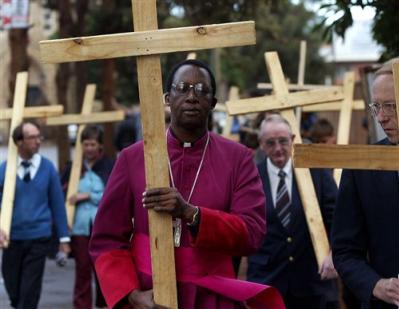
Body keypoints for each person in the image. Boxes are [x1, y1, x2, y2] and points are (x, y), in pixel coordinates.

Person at [89, 59, 284, 309]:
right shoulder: (132, 157)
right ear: (168, 98)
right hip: (149, 296)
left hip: (212, 296)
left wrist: (192, 214)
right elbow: (106, 239)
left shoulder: (238, 158)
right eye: (183, 88)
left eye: (202, 90)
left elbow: (252, 233)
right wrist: (132, 294)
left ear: (213, 103)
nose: (192, 96)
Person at [331, 56, 399, 309]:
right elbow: (344, 252)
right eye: (376, 107)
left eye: (391, 106)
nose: (381, 118)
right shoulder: (361, 166)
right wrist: (376, 285)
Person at [247, 114, 339, 309]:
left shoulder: (316, 172)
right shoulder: (251, 178)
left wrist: (334, 252)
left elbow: (338, 218)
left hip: (312, 283)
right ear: (261, 145)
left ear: (293, 139)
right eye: (270, 143)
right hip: (267, 282)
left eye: (283, 141)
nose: (278, 148)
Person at [0, 120, 70, 309]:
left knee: (30, 292)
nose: (38, 141)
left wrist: (64, 239)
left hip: (39, 237)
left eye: (39, 136)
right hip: (11, 239)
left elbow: (57, 205)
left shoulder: (48, 168)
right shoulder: (4, 170)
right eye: (32, 137)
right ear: (19, 141)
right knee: (13, 288)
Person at [61, 125, 114, 309]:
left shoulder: (109, 165)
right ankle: (81, 306)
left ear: (100, 145)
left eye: (93, 144)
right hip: (80, 228)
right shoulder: (73, 168)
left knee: (103, 270)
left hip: (102, 228)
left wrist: (88, 196)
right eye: (85, 144)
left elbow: (113, 196)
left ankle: (104, 304)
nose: (89, 148)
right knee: (82, 270)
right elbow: (63, 195)